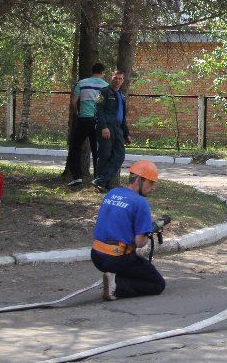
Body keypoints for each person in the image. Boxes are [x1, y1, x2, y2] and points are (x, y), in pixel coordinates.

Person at [91, 160, 165, 300]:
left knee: (133, 267)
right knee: (157, 283)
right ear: (139, 179)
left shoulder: (112, 193)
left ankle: (113, 277)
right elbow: (139, 242)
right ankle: (116, 287)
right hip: (116, 258)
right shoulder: (141, 203)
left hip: (96, 255)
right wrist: (151, 230)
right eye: (151, 182)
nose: (153, 187)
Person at [65, 63, 109, 186]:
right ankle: (97, 177)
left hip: (84, 119)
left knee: (75, 147)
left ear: (92, 71)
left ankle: (77, 176)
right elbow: (105, 105)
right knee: (97, 150)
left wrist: (77, 113)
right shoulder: (105, 86)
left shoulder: (82, 83)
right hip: (98, 121)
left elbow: (73, 102)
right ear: (102, 72)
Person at [93, 70, 131, 190]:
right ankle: (101, 183)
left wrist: (126, 134)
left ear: (123, 81)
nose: (118, 81)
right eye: (116, 78)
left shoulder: (122, 96)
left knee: (119, 155)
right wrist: (103, 127)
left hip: (118, 129)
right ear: (111, 78)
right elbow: (98, 110)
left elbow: (122, 118)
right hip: (106, 128)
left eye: (120, 79)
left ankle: (100, 180)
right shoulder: (103, 92)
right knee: (105, 154)